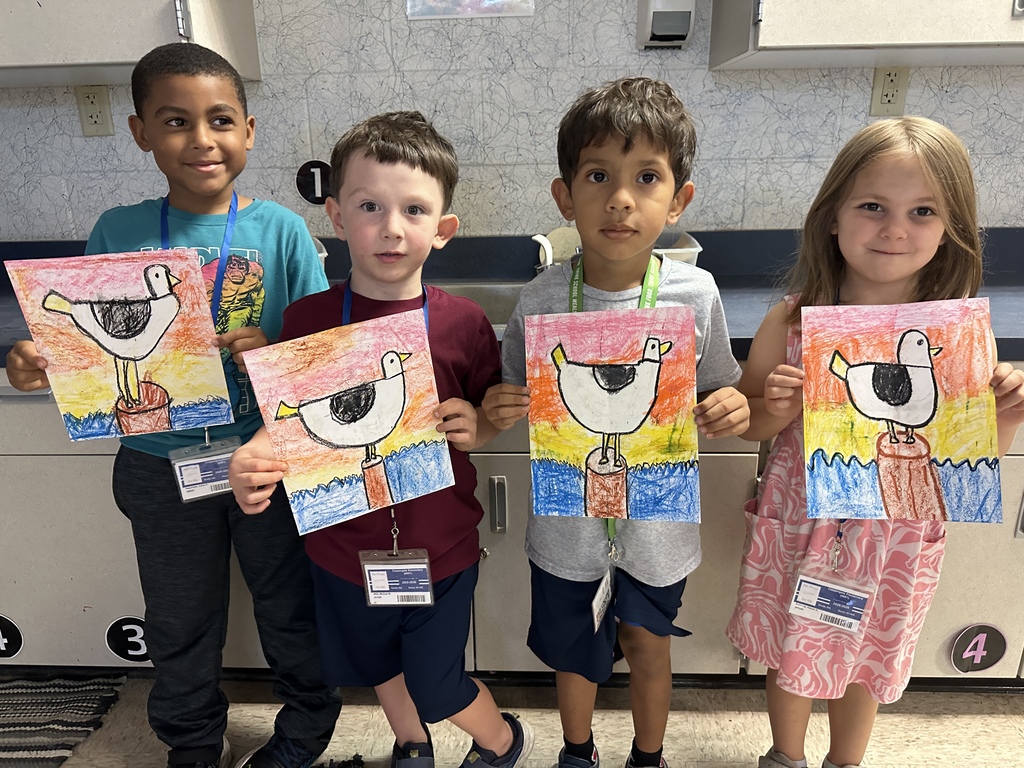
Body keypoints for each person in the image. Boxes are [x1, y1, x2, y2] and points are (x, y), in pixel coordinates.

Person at [4, 43, 341, 768]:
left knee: (290, 610)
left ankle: (308, 728)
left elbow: (322, 357)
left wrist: (271, 348)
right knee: (179, 618)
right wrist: (36, 360)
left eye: (220, 120)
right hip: (159, 467)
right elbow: (86, 349)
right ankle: (191, 738)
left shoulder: (281, 230)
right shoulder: (118, 231)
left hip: (269, 461)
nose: (201, 139)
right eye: (175, 121)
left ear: (249, 130)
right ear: (140, 133)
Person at [227, 110, 533, 768]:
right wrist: (258, 455)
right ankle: (412, 746)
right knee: (376, 664)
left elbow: (487, 414)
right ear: (336, 217)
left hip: (440, 550)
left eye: (414, 210)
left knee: (435, 678)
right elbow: (290, 425)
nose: (391, 228)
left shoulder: (464, 324)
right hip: (339, 546)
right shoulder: (306, 320)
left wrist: (479, 423)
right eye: (370, 206)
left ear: (443, 229)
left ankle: (502, 742)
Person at [724, 116, 1024, 768]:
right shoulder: (792, 319)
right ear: (833, 216)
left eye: (923, 211)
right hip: (806, 529)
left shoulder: (959, 337)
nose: (895, 228)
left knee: (868, 656)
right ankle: (786, 755)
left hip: (897, 537)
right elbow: (752, 421)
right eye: (872, 207)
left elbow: (971, 461)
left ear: (951, 229)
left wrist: (1006, 415)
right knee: (790, 645)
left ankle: (845, 762)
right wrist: (773, 406)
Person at [482, 77, 750, 768]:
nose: (620, 199)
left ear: (679, 199)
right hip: (567, 526)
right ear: (565, 196)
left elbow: (724, 389)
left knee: (646, 644)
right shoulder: (542, 297)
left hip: (657, 528)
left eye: (647, 177)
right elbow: (511, 391)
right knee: (575, 653)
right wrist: (499, 404)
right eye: (598, 175)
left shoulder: (696, 294)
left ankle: (647, 756)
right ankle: (577, 751)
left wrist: (733, 406)